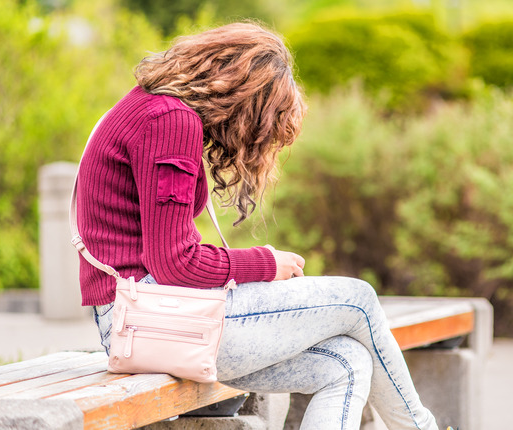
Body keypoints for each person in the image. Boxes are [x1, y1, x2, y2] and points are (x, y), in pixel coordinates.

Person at [78, 22, 439, 430]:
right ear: (243, 99)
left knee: (345, 362)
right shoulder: (170, 121)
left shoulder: (149, 106)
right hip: (152, 321)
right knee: (359, 300)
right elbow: (175, 264)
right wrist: (266, 265)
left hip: (150, 319)